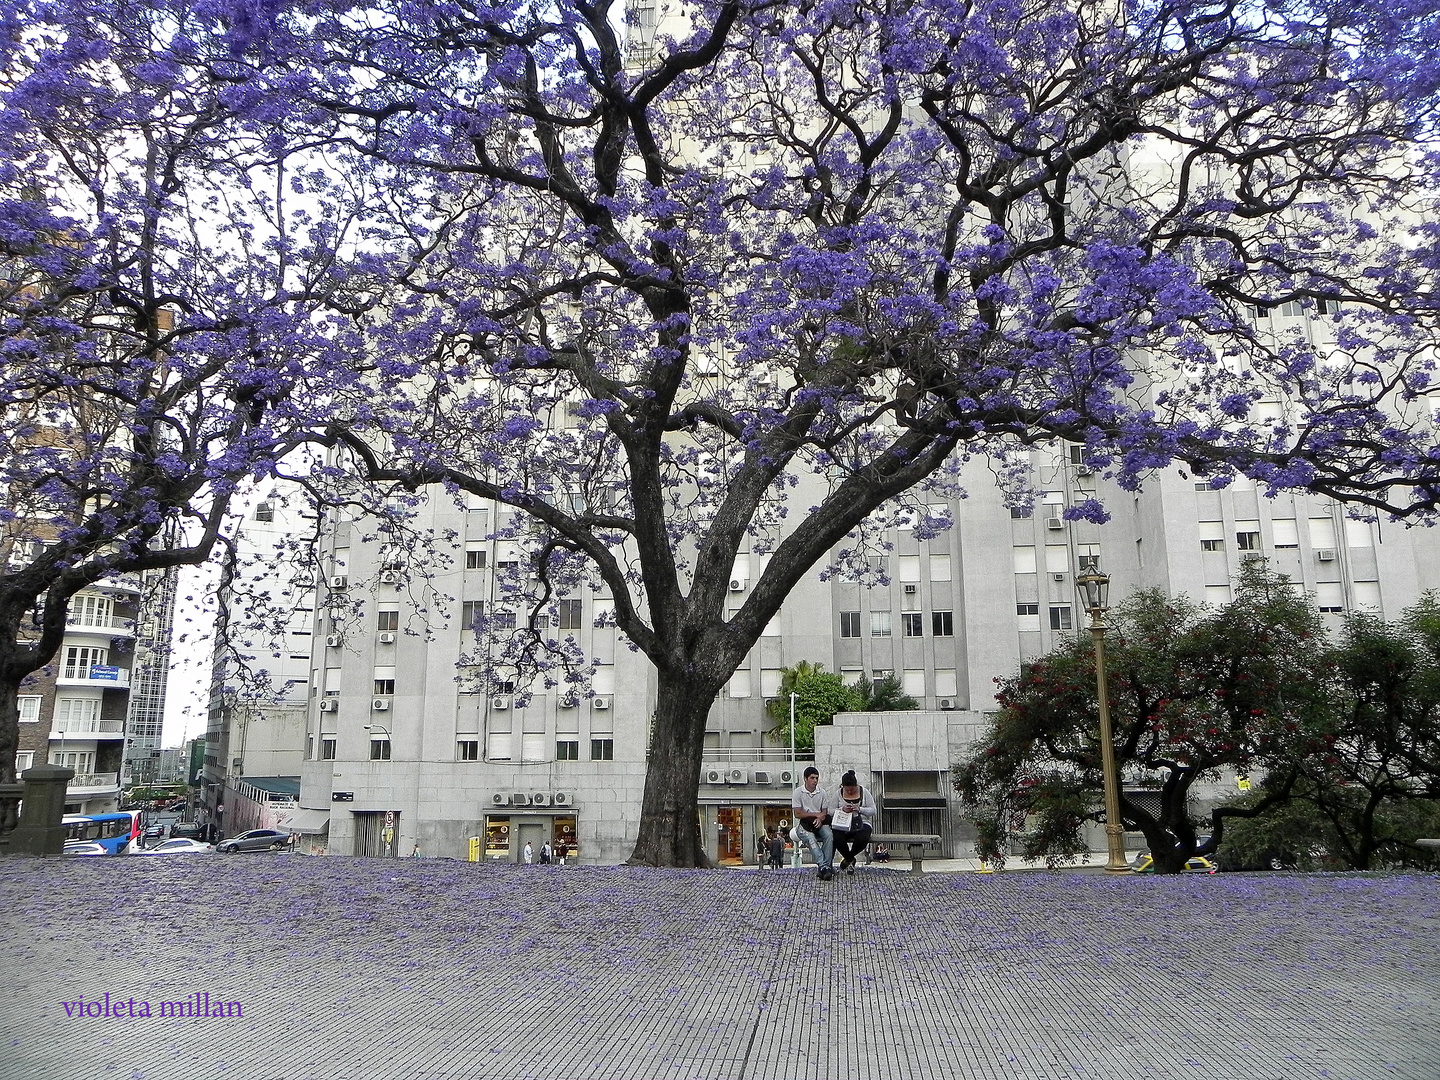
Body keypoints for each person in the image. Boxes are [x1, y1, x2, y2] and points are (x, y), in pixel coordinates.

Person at [791, 766, 836, 880]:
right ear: (805, 779)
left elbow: (825, 811)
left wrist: (820, 819)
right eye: (812, 778)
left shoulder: (822, 792)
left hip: (820, 823)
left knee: (829, 836)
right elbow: (797, 814)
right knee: (811, 839)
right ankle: (825, 866)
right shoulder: (797, 793)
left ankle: (824, 867)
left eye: (816, 778)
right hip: (804, 825)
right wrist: (816, 815)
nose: (815, 781)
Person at [830, 769, 877, 874]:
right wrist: (842, 809)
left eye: (852, 790)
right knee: (837, 838)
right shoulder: (838, 794)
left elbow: (873, 810)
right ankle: (850, 859)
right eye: (847, 790)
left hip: (862, 822)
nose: (850, 792)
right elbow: (830, 810)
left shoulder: (864, 792)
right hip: (843, 822)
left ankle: (848, 858)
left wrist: (860, 809)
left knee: (862, 839)